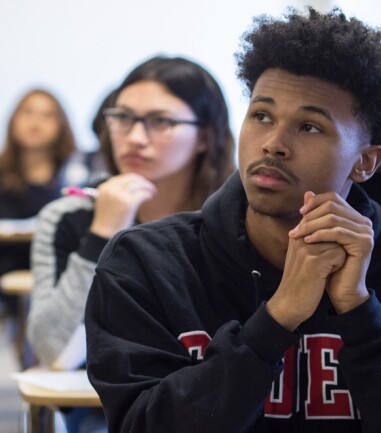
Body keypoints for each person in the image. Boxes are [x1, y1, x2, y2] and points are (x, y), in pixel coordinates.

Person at [84, 7, 381, 433]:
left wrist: (359, 312)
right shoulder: (147, 263)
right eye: (261, 116)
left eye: (310, 127)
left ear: (366, 162)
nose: (274, 144)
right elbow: (141, 425)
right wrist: (277, 318)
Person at [26, 55, 235, 433]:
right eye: (122, 118)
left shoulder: (237, 222)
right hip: (101, 418)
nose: (135, 137)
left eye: (161, 121)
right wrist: (103, 233)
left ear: (205, 135)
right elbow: (56, 356)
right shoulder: (68, 217)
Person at [0, 89, 81, 325]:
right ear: (13, 119)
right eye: (28, 113)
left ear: (61, 125)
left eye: (47, 116)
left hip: (59, 273)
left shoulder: (75, 177)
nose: (35, 123)